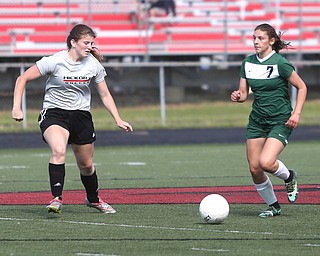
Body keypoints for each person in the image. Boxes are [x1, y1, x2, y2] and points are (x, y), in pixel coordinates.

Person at [12, 24, 133, 214]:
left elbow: (105, 95)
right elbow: (22, 79)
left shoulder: (94, 65)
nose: (90, 46)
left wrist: (118, 119)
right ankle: (56, 198)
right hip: (54, 113)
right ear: (73, 42)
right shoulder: (55, 61)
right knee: (58, 150)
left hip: (81, 116)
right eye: (86, 42)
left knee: (86, 165)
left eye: (92, 43)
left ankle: (93, 199)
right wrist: (17, 107)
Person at [230, 23, 307, 217]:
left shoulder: (280, 63)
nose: (256, 41)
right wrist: (237, 96)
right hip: (257, 121)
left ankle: (289, 176)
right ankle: (274, 206)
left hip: (280, 119)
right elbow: (244, 94)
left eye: (261, 38)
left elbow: (302, 87)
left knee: (266, 161)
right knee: (255, 168)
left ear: (271, 41)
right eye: (254, 38)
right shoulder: (247, 63)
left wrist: (296, 113)